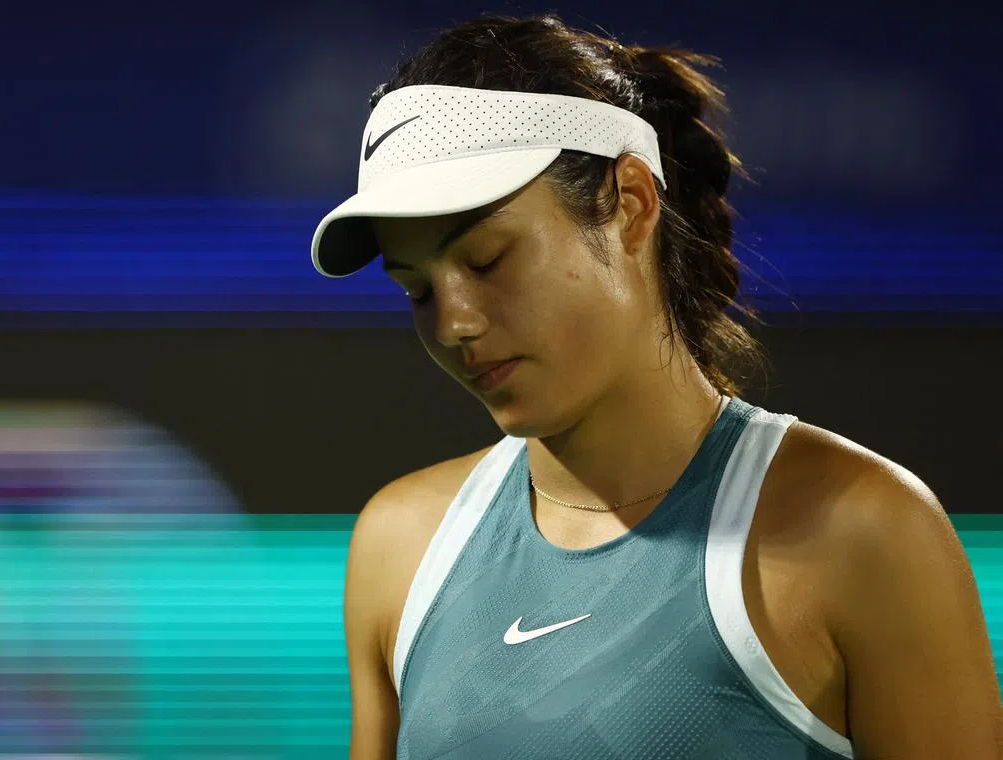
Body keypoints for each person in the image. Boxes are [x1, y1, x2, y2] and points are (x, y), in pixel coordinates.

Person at [311, 14, 1002, 760]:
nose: (454, 323)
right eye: (417, 290)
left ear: (632, 203)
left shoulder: (865, 532)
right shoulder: (399, 547)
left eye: (487, 260)